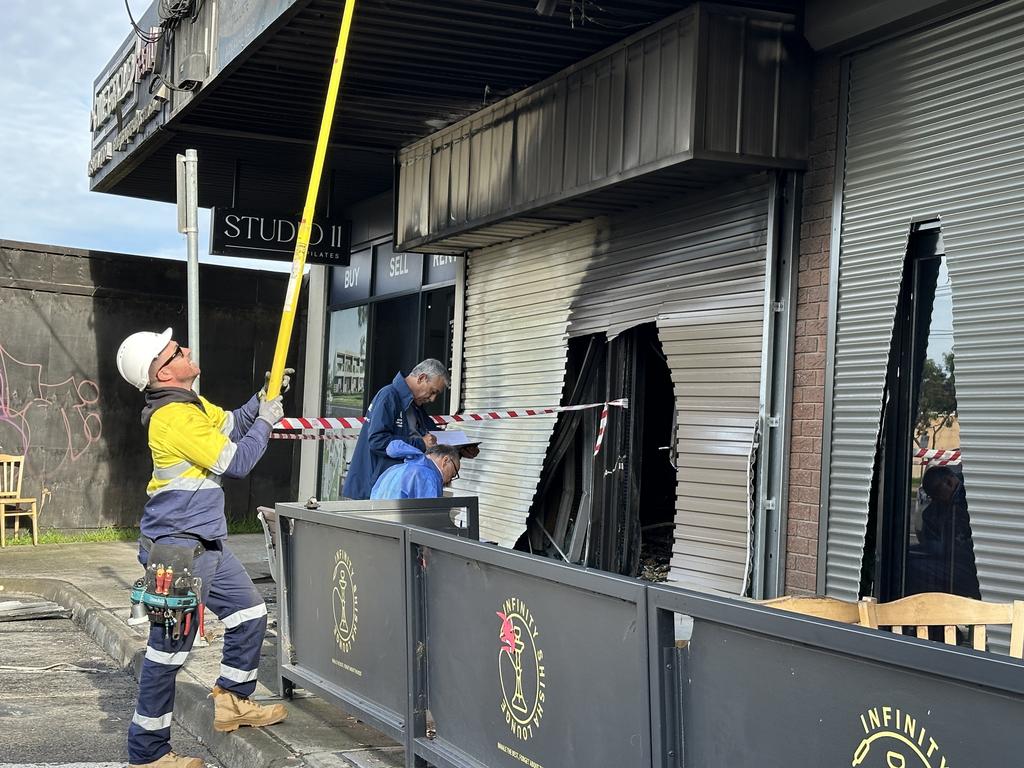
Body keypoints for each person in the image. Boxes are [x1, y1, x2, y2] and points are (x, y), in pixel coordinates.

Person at [116, 327, 290, 768]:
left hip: (205, 545)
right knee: (167, 652)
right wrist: (268, 420)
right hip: (178, 551)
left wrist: (261, 397)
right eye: (178, 350)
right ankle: (148, 754)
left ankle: (233, 701)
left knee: (250, 614)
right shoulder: (174, 418)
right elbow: (237, 461)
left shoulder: (188, 404)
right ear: (163, 370)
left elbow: (231, 423)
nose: (188, 349)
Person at [341, 359, 450, 499]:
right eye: (433, 391)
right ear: (421, 378)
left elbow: (433, 438)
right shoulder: (388, 396)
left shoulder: (415, 405)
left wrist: (457, 448)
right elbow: (377, 441)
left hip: (389, 489)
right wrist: (420, 443)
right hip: (372, 490)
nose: (433, 399)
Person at [913, 465, 981, 599]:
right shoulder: (933, 513)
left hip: (966, 567)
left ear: (949, 483)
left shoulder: (964, 500)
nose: (935, 500)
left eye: (936, 493)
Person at [370, 441, 461, 499]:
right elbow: (428, 516)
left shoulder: (395, 469)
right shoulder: (427, 476)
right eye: (453, 474)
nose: (450, 480)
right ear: (445, 460)